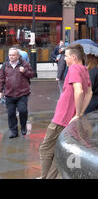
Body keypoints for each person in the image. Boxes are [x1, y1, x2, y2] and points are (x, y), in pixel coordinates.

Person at [39, 43, 92, 179]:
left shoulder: (73, 68)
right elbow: (89, 93)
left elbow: (79, 91)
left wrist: (76, 114)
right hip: (69, 118)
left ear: (74, 57)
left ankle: (44, 176)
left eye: (66, 56)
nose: (64, 59)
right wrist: (79, 114)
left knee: (45, 148)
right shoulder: (84, 69)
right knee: (60, 151)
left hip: (62, 118)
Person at [0, 48, 34, 138]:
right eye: (10, 55)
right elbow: (1, 79)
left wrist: (25, 71)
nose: (11, 57)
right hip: (9, 94)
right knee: (11, 114)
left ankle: (23, 127)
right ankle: (13, 131)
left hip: (22, 93)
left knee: (23, 111)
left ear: (18, 56)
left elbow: (32, 75)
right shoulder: (5, 66)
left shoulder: (24, 64)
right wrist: (0, 91)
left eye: (13, 55)